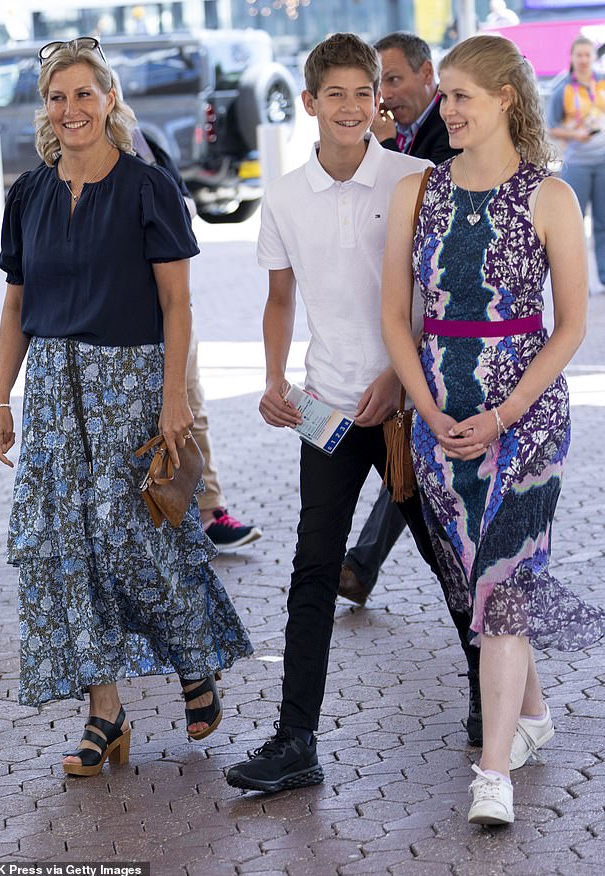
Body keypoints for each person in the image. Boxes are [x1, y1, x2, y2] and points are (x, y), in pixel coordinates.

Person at [0, 37, 253, 778]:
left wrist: (175, 401)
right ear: (46, 109)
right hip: (52, 391)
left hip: (129, 385)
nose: (69, 109)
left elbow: (177, 301)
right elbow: (15, 307)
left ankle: (194, 661)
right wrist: (0, 398)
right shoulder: (29, 193)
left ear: (109, 100)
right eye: (56, 96)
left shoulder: (147, 186)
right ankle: (106, 711)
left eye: (83, 94)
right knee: (64, 550)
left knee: (136, 540)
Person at [226, 32, 477, 795]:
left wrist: (399, 382)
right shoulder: (286, 195)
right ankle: (295, 740)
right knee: (313, 567)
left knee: (447, 558)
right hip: (325, 410)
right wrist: (274, 379)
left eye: (362, 93)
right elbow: (279, 298)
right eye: (333, 94)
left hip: (405, 407)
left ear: (379, 101)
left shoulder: (415, 178)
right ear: (308, 103)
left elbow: (439, 296)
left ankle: (493, 694)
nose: (349, 107)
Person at [381, 34, 605, 825]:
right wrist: (427, 411)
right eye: (442, 95)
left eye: (460, 96)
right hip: (441, 417)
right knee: (485, 583)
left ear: (505, 97)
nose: (446, 109)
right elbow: (394, 319)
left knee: (504, 582)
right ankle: (534, 719)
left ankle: (493, 774)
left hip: (528, 421)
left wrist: (504, 413)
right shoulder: (419, 192)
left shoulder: (551, 196)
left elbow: (571, 327)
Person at [341, 32, 460, 608]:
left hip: (453, 333)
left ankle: (472, 607)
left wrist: (391, 156)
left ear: (426, 74)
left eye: (391, 79)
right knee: (411, 456)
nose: (384, 95)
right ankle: (363, 565)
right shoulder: (407, 132)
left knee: (418, 454)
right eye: (377, 84)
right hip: (402, 329)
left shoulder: (445, 133)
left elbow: (440, 211)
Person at [133, 129, 263, 550]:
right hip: (122, 314)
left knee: (190, 405)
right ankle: (173, 521)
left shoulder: (144, 138)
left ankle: (210, 512)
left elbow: (184, 203)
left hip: (170, 303)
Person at [547, 36, 605, 294]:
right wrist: (575, 135)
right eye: (579, 55)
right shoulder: (563, 89)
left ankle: (603, 278)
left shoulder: (602, 83)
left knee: (603, 223)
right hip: (577, 163)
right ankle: (575, 282)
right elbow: (552, 127)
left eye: (587, 54)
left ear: (594, 57)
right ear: (572, 58)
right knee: (573, 225)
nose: (583, 59)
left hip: (603, 161)